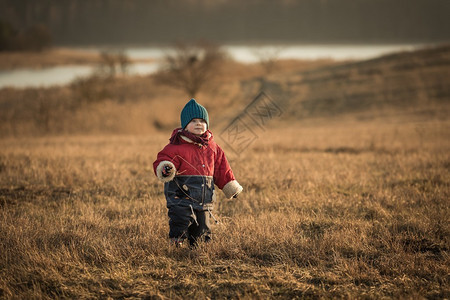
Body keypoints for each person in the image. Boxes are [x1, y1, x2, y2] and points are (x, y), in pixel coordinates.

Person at [153, 98, 243, 247]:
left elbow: (222, 168)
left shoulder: (213, 147)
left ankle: (200, 245)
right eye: (193, 121)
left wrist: (230, 186)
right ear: (185, 125)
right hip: (180, 195)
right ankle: (177, 241)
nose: (198, 124)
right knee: (180, 219)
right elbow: (163, 159)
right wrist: (166, 168)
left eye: (202, 121)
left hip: (204, 196)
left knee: (202, 226)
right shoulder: (176, 146)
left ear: (207, 124)